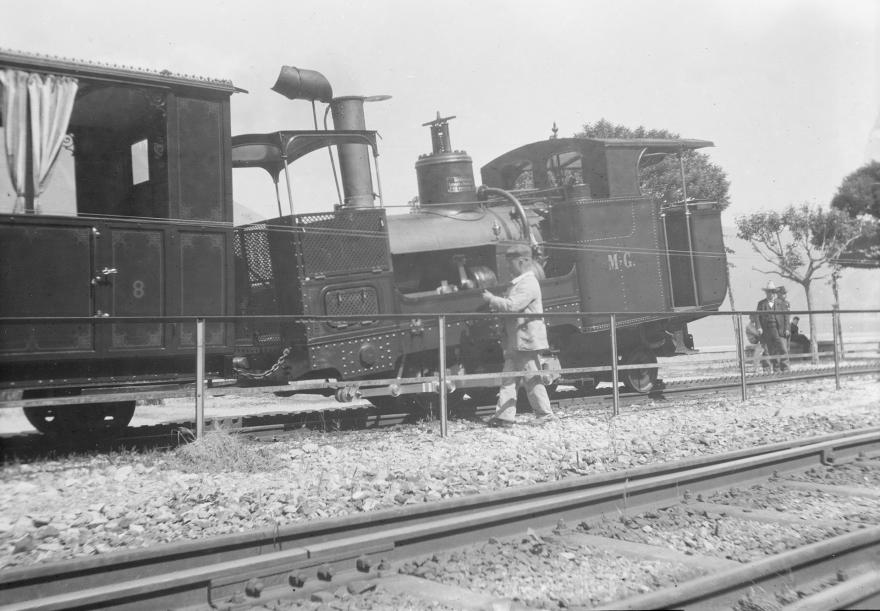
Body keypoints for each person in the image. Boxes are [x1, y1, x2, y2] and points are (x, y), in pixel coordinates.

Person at [481, 244, 557, 427]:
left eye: (511, 262)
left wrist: (492, 299)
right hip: (517, 340)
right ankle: (504, 417)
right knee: (509, 378)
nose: (508, 267)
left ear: (523, 261)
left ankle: (545, 414)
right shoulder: (520, 283)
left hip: (526, 341)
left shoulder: (528, 283)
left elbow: (513, 306)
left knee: (531, 377)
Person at [756, 281, 790, 373]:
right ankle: (767, 369)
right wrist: (759, 327)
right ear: (766, 293)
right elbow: (757, 317)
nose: (770, 294)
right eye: (768, 292)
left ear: (774, 293)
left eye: (771, 292)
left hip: (779, 329)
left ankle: (785, 368)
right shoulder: (761, 304)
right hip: (766, 330)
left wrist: (787, 329)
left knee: (782, 349)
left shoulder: (781, 303)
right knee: (766, 350)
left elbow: (786, 316)